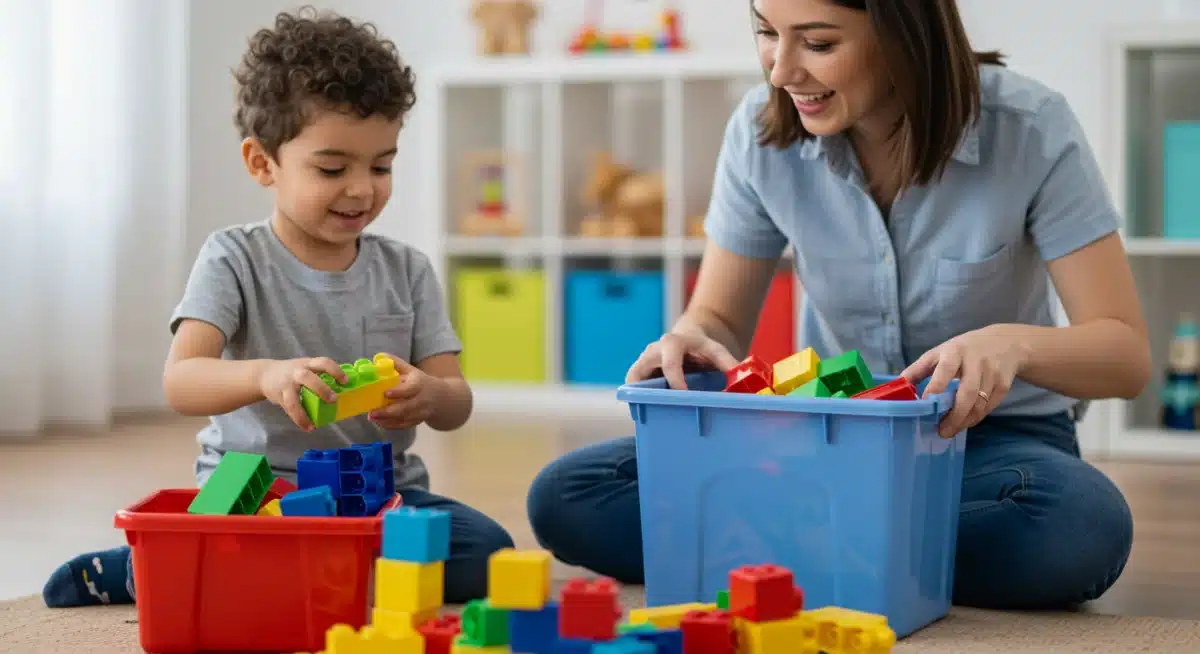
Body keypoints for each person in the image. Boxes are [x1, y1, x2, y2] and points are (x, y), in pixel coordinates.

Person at [527, 0, 1149, 610]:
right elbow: (717, 320)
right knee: (569, 495)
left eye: (819, 44)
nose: (780, 70)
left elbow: (1124, 354)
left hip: (986, 441)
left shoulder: (1031, 126)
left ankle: (777, 543)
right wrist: (689, 337)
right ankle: (869, 549)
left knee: (1076, 529)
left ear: (905, 33)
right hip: (823, 435)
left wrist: (1011, 344)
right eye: (768, 33)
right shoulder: (759, 132)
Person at [42, 7, 513, 609]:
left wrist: (431, 394)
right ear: (263, 163)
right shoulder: (232, 259)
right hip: (257, 495)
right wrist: (266, 375)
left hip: (379, 498)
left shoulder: (409, 270)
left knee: (488, 557)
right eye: (332, 167)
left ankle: (272, 570)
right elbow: (182, 382)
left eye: (382, 165)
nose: (362, 188)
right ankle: (146, 569)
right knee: (253, 555)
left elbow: (456, 400)